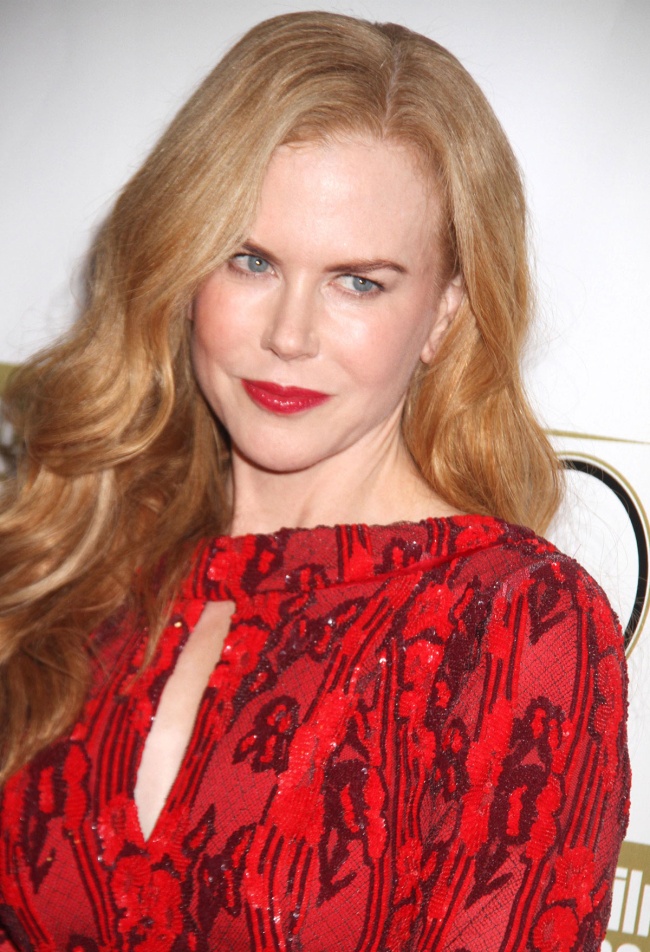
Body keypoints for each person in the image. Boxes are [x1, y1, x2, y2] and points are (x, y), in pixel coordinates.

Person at [0, 11, 629, 951]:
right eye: (249, 260)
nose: (288, 336)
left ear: (445, 312)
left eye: (358, 281)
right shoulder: (73, 564)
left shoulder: (512, 625)